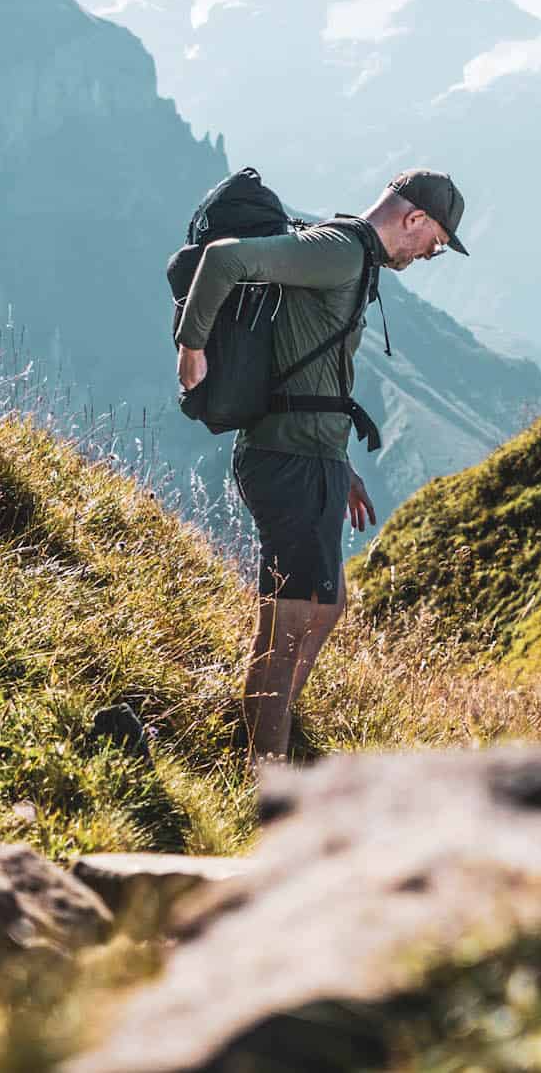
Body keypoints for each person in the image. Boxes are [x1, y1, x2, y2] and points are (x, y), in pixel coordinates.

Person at [174, 168, 469, 762]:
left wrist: (344, 470)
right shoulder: (337, 252)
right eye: (435, 241)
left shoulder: (353, 261)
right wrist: (192, 346)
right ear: (413, 219)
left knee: (325, 609)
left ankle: (266, 728)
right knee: (288, 624)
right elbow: (226, 260)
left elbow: (318, 371)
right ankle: (264, 772)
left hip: (315, 457)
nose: (430, 253)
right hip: (287, 460)